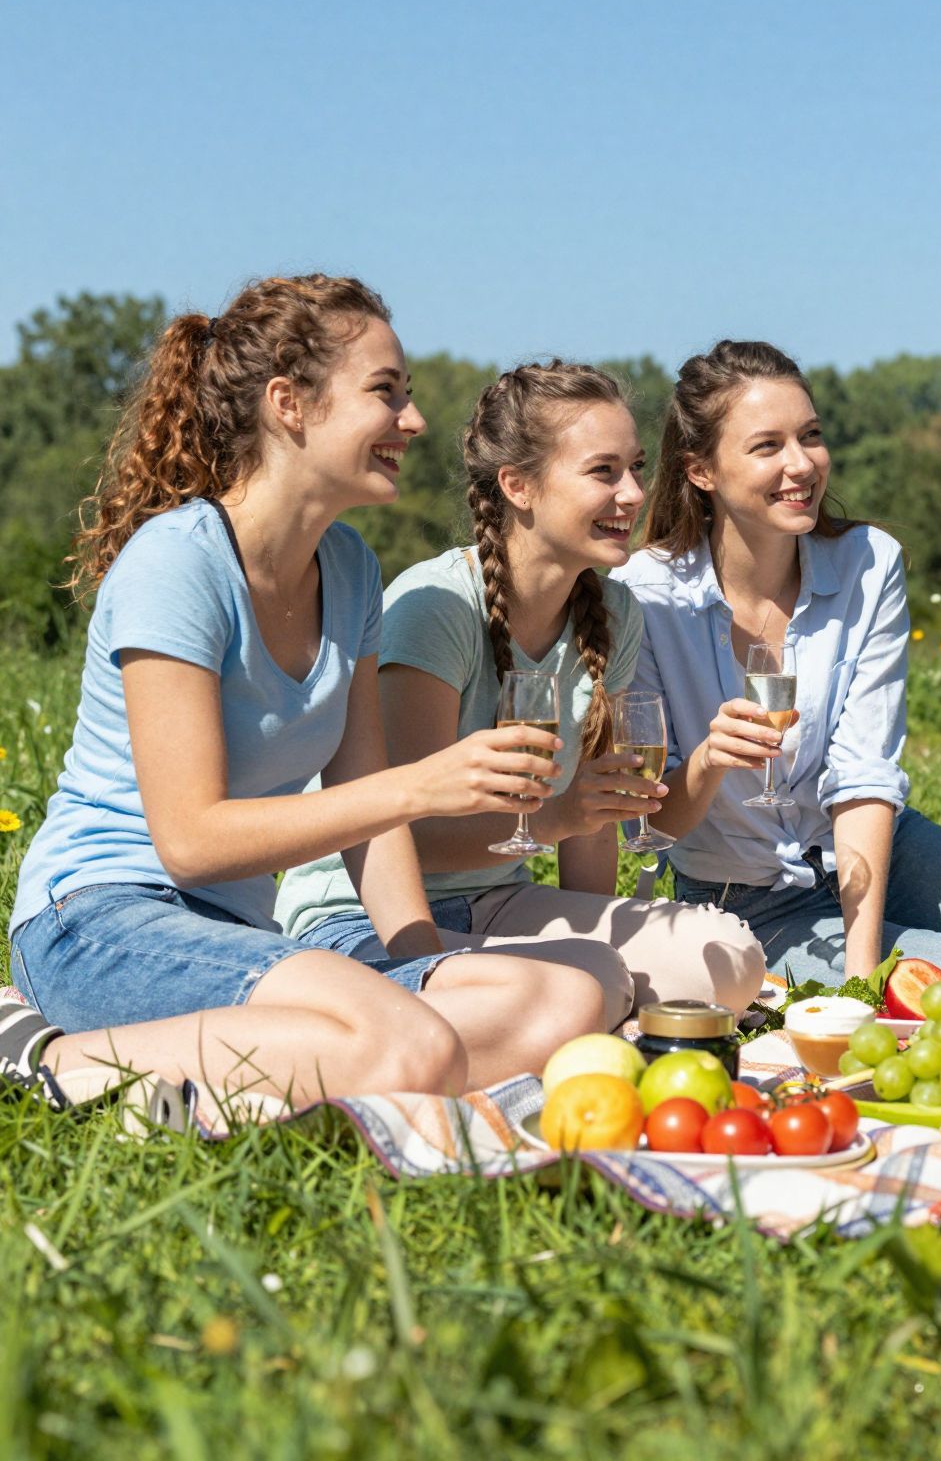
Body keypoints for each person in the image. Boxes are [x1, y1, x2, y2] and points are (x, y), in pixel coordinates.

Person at [1, 277, 617, 1110]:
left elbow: (368, 817)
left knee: (569, 998)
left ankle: (319, 1061)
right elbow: (190, 842)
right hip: (100, 922)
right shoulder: (177, 562)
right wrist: (420, 785)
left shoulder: (351, 568)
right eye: (385, 393)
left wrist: (423, 968)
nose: (414, 421)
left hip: (235, 934)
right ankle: (56, 1060)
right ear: (289, 403)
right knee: (406, 1044)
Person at [273, 362, 766, 1021]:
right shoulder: (439, 608)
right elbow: (401, 835)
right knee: (591, 984)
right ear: (518, 486)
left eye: (636, 468)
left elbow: (589, 824)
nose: (633, 493)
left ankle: (558, 1018)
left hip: (494, 905)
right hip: (361, 921)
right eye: (603, 472)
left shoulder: (615, 616)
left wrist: (597, 918)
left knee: (728, 959)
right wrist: (559, 819)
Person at [616, 340, 941, 985]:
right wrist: (708, 762)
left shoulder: (868, 564)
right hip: (741, 899)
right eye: (767, 446)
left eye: (811, 436)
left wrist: (862, 976)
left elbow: (864, 772)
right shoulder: (644, 597)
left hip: (879, 850)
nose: (802, 464)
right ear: (701, 471)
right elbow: (651, 824)